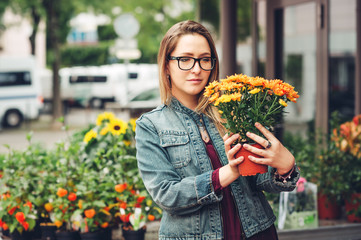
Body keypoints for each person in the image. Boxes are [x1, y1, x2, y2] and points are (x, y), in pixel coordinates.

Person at [135, 20, 300, 240]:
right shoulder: (151, 125)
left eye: (205, 60)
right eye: (185, 59)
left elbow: (258, 179)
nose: (197, 69)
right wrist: (228, 173)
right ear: (166, 65)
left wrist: (285, 167)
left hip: (257, 232)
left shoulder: (233, 112)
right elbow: (167, 195)